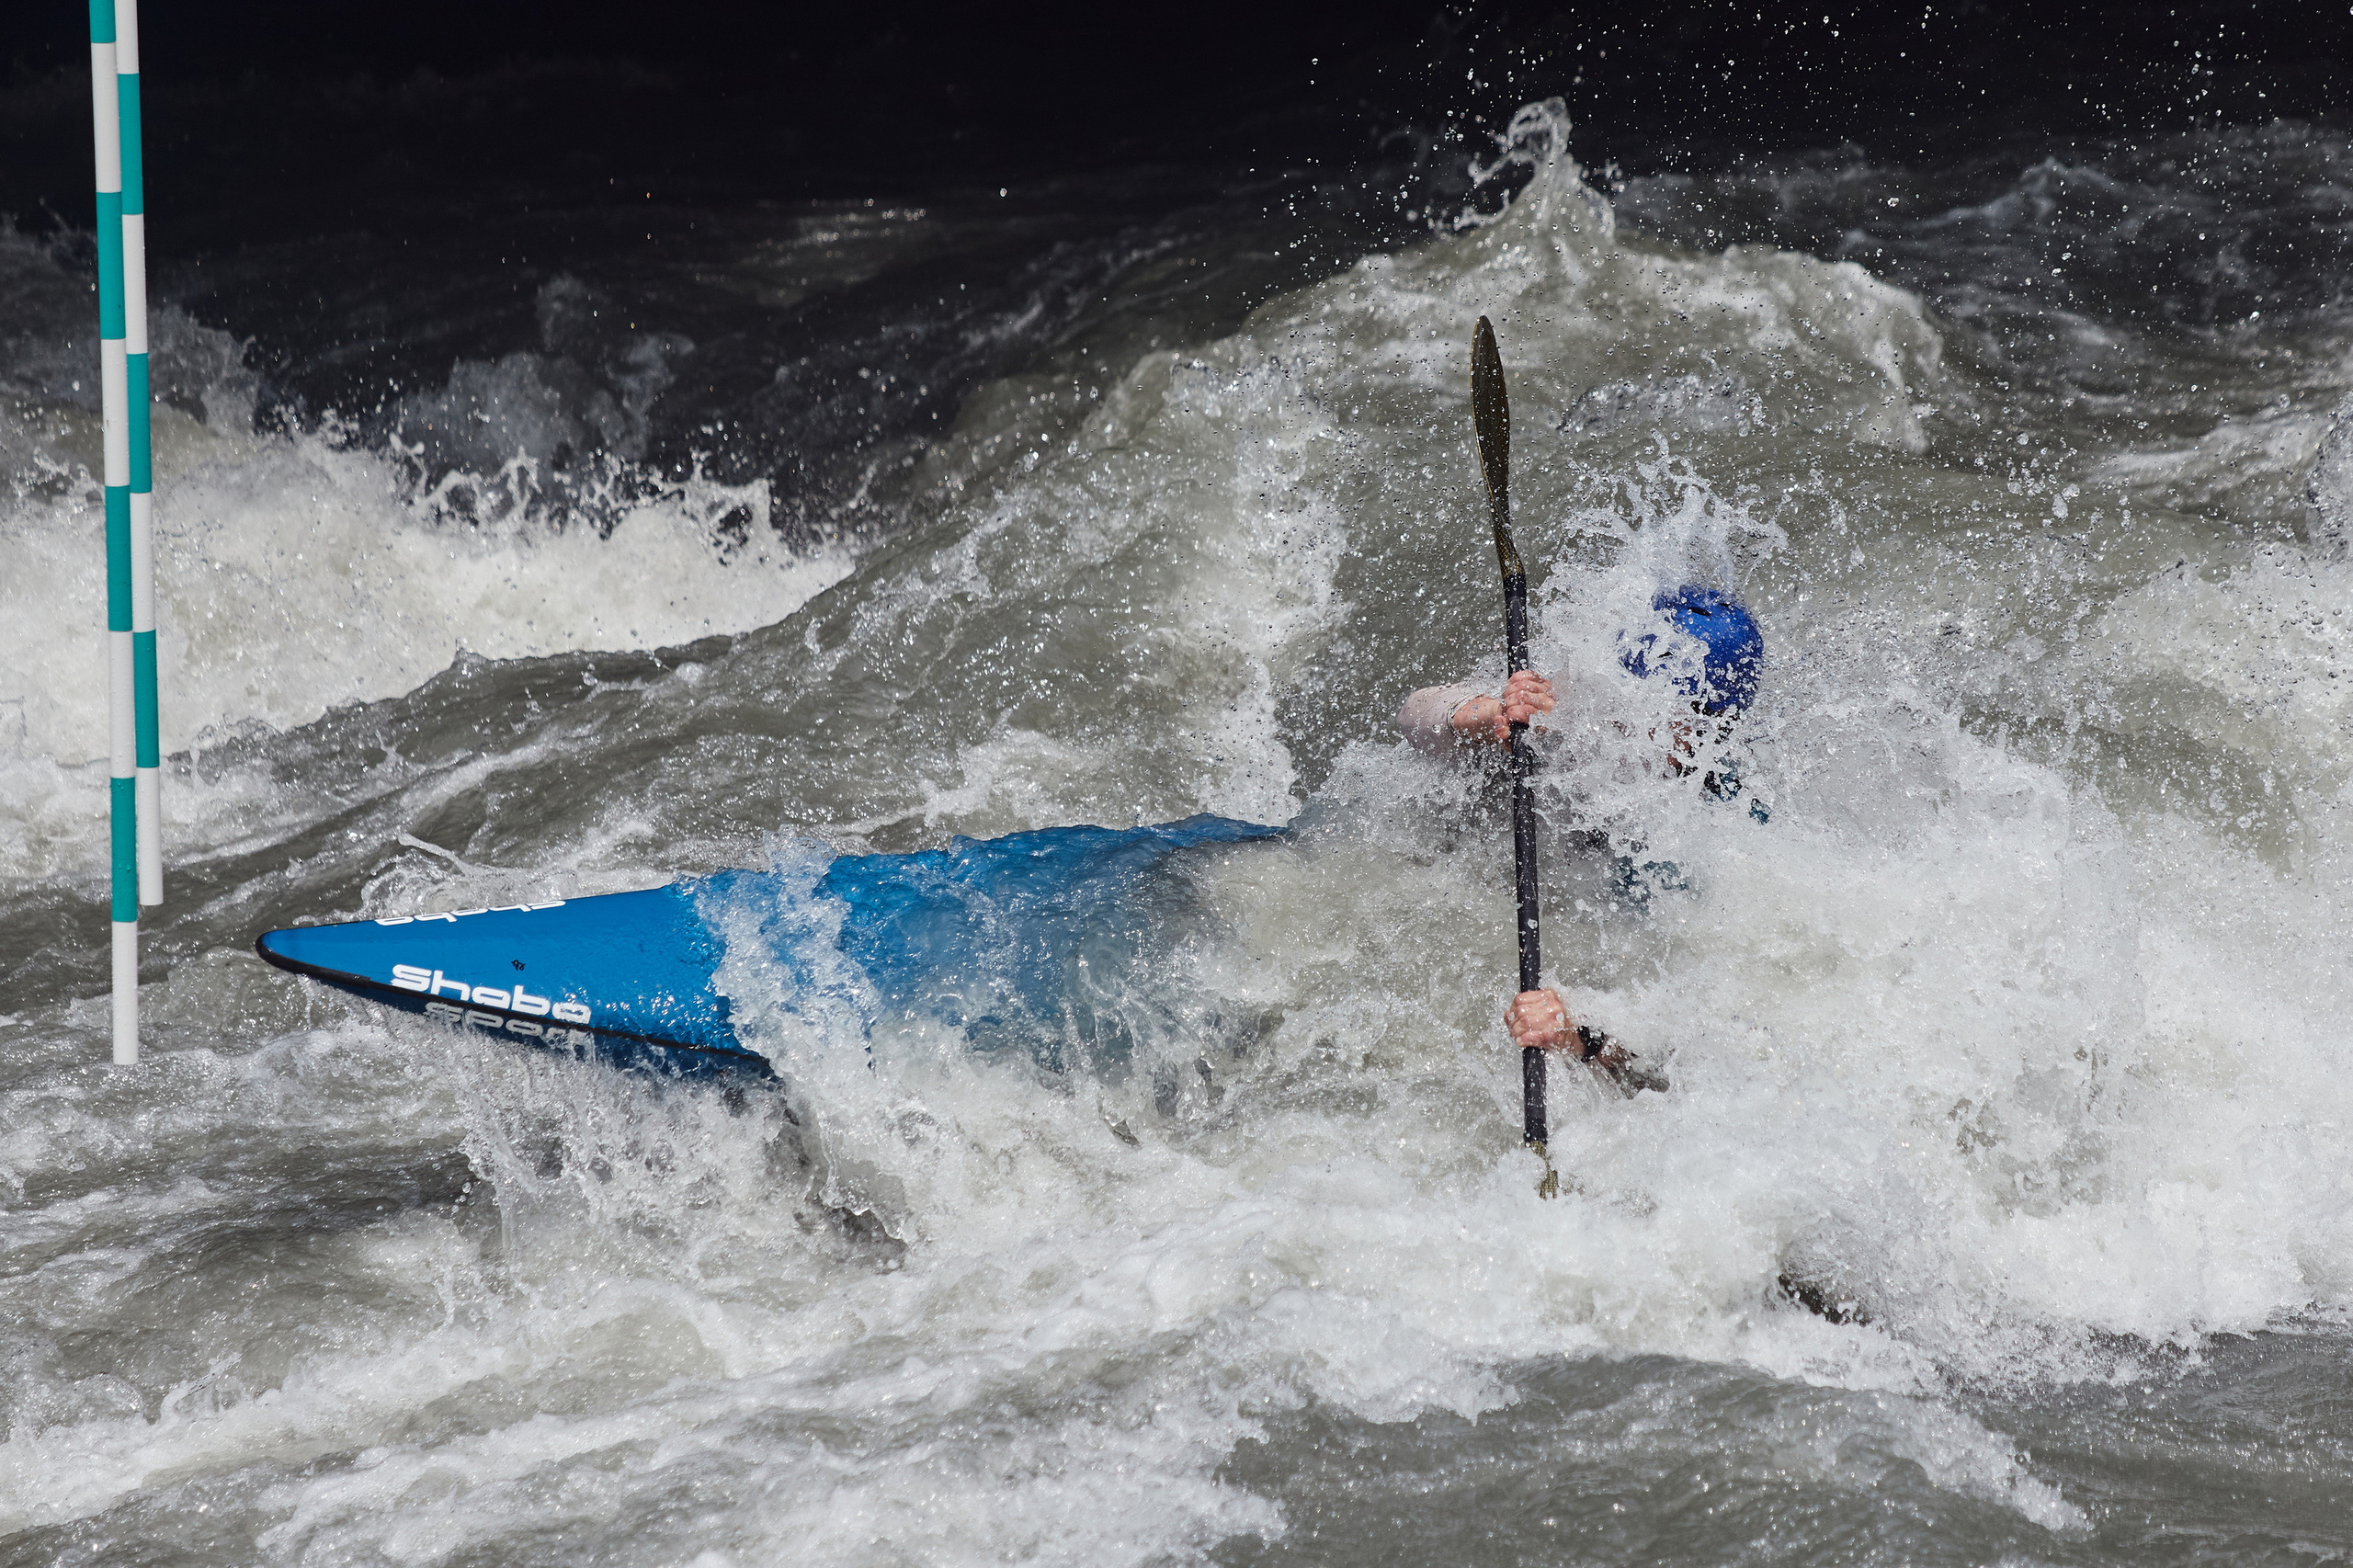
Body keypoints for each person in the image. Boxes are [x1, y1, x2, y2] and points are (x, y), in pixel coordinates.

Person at [1393, 585, 1766, 1081]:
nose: (1621, 725)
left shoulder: (1720, 839)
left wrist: (1578, 1037)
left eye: (1659, 717)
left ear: (1709, 731)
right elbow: (1412, 713)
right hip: (1430, 865)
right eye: (1625, 700)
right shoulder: (1567, 711)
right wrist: (1485, 714)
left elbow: (1674, 1059)